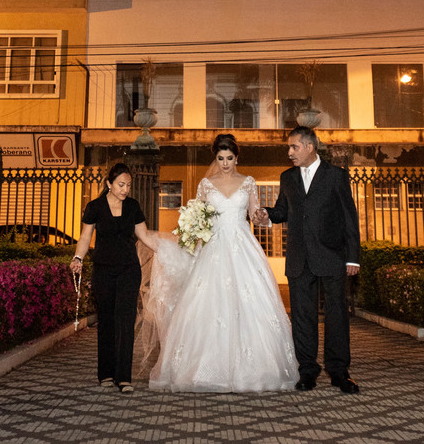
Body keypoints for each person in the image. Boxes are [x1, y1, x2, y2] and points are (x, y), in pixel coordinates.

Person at [144, 133, 299, 392]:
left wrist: (263, 215)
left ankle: (255, 371)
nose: (225, 163)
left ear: (236, 157)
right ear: (215, 158)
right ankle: (203, 370)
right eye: (220, 158)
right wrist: (189, 234)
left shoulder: (248, 182)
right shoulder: (206, 184)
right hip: (213, 247)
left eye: (229, 158)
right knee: (208, 304)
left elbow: (254, 214)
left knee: (249, 304)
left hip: (242, 246)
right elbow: (198, 217)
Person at [255, 126, 361, 393]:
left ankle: (339, 372)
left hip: (333, 257)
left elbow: (350, 218)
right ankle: (307, 372)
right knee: (303, 318)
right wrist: (266, 214)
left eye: (294, 147)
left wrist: (353, 258)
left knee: (337, 316)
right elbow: (282, 211)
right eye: (289, 148)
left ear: (310, 146)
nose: (289, 153)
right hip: (300, 259)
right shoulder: (287, 177)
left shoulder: (336, 176)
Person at [71, 163, 154, 393]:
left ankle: (124, 377)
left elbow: (145, 236)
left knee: (126, 321)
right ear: (109, 184)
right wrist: (78, 257)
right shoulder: (95, 207)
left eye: (128, 185)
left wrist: (168, 248)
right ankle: (106, 373)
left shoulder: (133, 207)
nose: (125, 189)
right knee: (106, 320)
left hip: (129, 270)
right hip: (104, 270)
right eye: (121, 184)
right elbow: (86, 237)